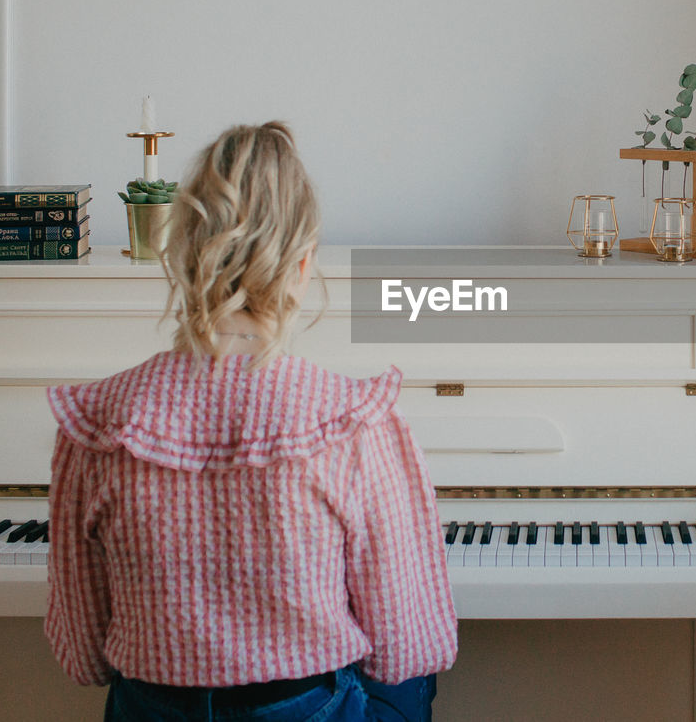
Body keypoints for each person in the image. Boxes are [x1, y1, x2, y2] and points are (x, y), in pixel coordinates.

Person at [46, 121, 457, 721]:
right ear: (301, 265)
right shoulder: (352, 422)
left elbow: (83, 657)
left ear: (181, 253)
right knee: (411, 682)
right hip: (301, 709)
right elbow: (405, 644)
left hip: (150, 710)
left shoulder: (96, 424)